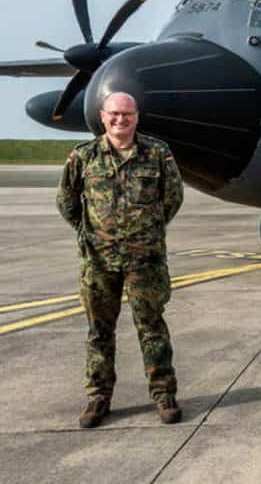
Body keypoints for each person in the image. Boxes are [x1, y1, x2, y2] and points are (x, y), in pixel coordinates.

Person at [57, 92, 184, 428]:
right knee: (99, 331)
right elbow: (67, 201)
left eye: (127, 114)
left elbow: (172, 198)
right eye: (114, 114)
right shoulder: (83, 157)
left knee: (152, 327)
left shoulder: (157, 154)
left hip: (146, 261)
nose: (120, 120)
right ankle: (98, 397)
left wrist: (146, 232)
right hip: (99, 262)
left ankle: (164, 394)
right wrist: (92, 235)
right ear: (103, 116)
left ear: (136, 117)